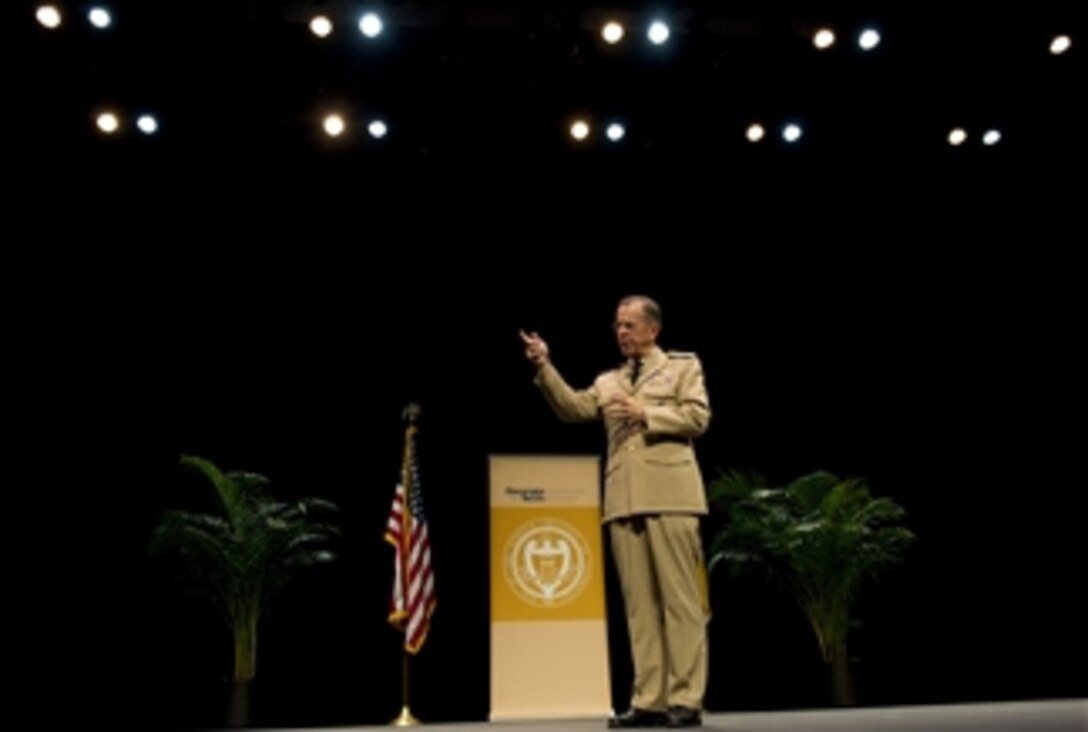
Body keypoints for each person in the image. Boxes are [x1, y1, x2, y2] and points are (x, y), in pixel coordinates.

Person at [519, 295, 711, 729]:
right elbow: (572, 409)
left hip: (672, 496)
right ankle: (649, 701)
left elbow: (698, 418)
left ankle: (686, 699)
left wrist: (648, 413)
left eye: (629, 325)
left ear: (652, 330)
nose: (621, 332)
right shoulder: (609, 381)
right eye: (617, 326)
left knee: (680, 603)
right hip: (624, 502)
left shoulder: (682, 367)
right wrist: (544, 366)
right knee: (639, 607)